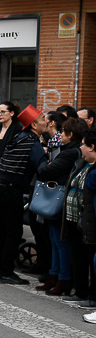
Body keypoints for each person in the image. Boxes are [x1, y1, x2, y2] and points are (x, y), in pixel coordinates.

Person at [0, 105, 46, 284]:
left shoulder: (18, 138)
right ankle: (6, 272)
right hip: (11, 189)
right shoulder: (33, 143)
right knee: (14, 232)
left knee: (2, 230)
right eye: (43, 119)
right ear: (34, 125)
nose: (46, 122)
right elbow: (43, 170)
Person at [34, 116, 86, 296]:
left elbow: (46, 171)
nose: (60, 134)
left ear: (70, 134)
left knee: (60, 241)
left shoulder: (70, 152)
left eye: (63, 132)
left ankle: (62, 278)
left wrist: (42, 161)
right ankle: (54, 275)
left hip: (61, 198)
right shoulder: (69, 150)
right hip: (60, 197)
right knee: (55, 240)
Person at [64, 130, 96, 308]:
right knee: (78, 256)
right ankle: (81, 290)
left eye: (84, 144)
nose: (81, 147)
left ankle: (91, 295)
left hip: (89, 220)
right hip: (74, 218)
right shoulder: (82, 163)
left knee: (91, 259)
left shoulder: (93, 170)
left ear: (92, 147)